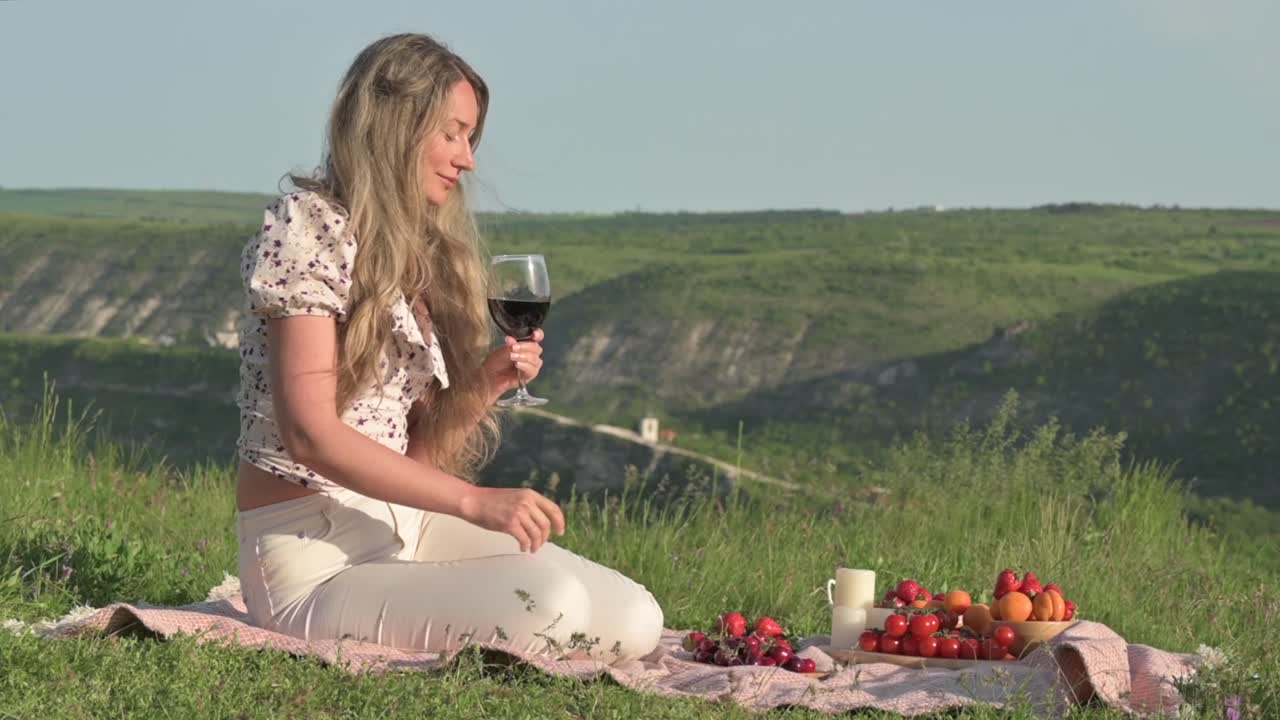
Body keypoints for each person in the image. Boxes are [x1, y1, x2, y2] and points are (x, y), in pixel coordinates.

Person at [234, 33, 663, 663]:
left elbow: (417, 458)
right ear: (399, 125)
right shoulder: (309, 225)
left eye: (471, 139)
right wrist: (476, 502)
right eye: (454, 133)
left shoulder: (413, 252)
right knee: (552, 606)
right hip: (312, 557)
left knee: (636, 619)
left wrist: (483, 387)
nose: (468, 161)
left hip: (404, 525)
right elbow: (310, 436)